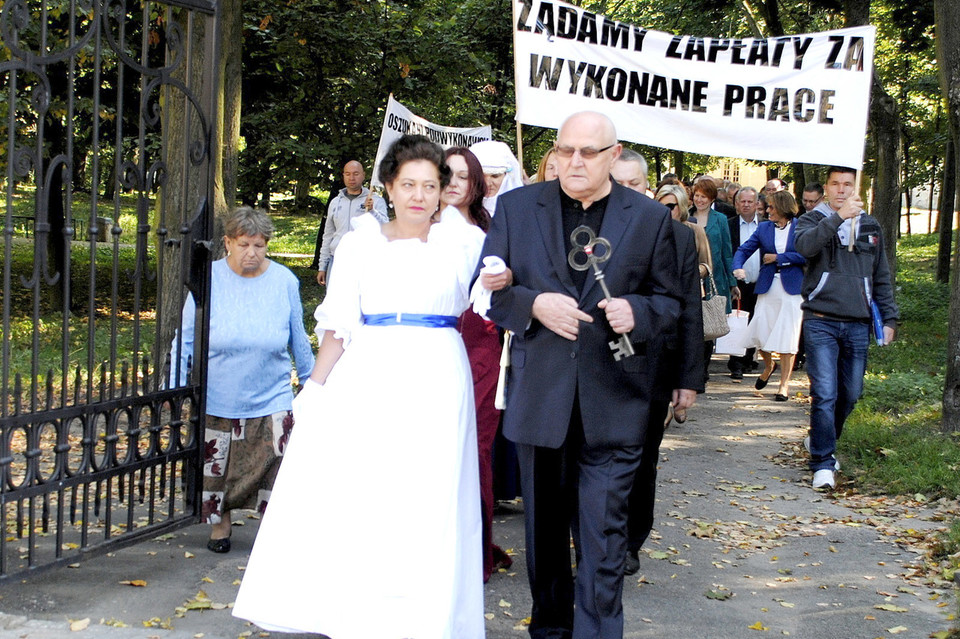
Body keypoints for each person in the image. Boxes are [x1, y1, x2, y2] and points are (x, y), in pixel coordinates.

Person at [233, 135, 486, 637]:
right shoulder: (360, 240)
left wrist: (496, 279)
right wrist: (316, 387)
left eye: (430, 185)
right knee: (368, 489)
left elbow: (491, 299)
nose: (418, 195)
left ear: (443, 192)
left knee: (428, 493)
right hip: (369, 370)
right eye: (408, 183)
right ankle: (359, 613)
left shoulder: (464, 240)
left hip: (437, 371)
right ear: (388, 186)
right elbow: (340, 323)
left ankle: (424, 616)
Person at [479, 111, 680, 639]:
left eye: (588, 152)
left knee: (604, 538)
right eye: (566, 149)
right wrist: (532, 304)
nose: (574, 161)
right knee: (544, 538)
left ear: (614, 156)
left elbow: (671, 303)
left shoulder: (648, 217)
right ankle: (549, 631)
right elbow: (489, 292)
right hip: (540, 397)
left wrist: (639, 309)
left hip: (614, 399)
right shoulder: (517, 208)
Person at [170, 206, 314, 554]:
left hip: (271, 393)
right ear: (227, 243)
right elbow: (186, 338)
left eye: (259, 246)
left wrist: (311, 383)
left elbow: (299, 338)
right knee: (217, 468)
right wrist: (172, 385)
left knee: (274, 464)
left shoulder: (284, 282)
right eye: (244, 244)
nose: (252, 253)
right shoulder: (209, 279)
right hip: (221, 393)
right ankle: (221, 526)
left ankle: (272, 529)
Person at [794, 166, 899, 490]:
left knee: (850, 394)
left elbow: (881, 275)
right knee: (824, 393)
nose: (841, 189)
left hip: (857, 323)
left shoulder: (870, 226)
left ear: (857, 187)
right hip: (820, 321)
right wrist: (837, 218)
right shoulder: (814, 219)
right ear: (826, 188)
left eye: (848, 184)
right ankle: (823, 462)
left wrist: (890, 317)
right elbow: (804, 248)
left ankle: (820, 439)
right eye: (836, 184)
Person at [622, 178, 705, 577]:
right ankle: (594, 537)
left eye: (634, 183)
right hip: (597, 363)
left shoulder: (677, 236)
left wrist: (688, 378)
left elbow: (689, 308)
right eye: (620, 182)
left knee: (641, 458)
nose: (628, 190)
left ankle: (629, 541)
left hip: (654, 364)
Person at [442, 146, 514, 582]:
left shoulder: (490, 234)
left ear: (476, 185)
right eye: (444, 174)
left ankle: (473, 545)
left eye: (462, 176)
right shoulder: (419, 230)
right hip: (431, 342)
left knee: (474, 446)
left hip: (480, 344)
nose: (452, 183)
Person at [732, 191, 806, 401]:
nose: (767, 211)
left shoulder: (800, 227)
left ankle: (784, 385)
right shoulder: (763, 228)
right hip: (768, 286)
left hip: (792, 288)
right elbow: (744, 249)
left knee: (787, 336)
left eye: (771, 207)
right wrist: (737, 267)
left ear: (783, 207)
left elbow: (807, 254)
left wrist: (779, 258)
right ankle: (768, 365)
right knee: (761, 332)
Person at [690, 177, 737, 385]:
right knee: (693, 324)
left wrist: (732, 282)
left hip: (713, 278)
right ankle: (694, 366)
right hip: (690, 277)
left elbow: (727, 252)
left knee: (710, 323)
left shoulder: (720, 219)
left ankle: (704, 367)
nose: (699, 200)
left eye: (704, 197)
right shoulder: (687, 216)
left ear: (711, 199)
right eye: (697, 196)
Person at [314, 160, 388, 286]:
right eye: (347, 174)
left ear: (363, 175)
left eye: (356, 173)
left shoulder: (374, 200)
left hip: (364, 261)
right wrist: (322, 266)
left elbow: (386, 228)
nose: (351, 178)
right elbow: (328, 236)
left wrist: (372, 211)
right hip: (336, 260)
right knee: (336, 302)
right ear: (343, 176)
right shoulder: (335, 202)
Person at [727, 186, 761, 380]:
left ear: (757, 204)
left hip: (759, 281)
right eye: (743, 201)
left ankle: (749, 359)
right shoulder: (730, 225)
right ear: (737, 204)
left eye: (750, 201)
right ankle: (736, 363)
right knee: (738, 322)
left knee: (755, 321)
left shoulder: (765, 225)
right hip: (737, 283)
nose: (746, 205)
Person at [470, 140, 524, 216]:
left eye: (495, 176)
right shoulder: (457, 210)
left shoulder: (521, 212)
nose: (487, 183)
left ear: (506, 176)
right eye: (482, 176)